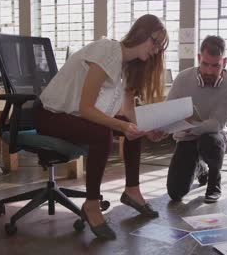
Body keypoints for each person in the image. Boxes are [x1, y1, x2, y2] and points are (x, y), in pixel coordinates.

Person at [34, 14, 168, 240]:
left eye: (160, 48)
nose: (156, 51)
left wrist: (147, 128)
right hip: (49, 114)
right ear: (141, 33)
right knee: (103, 133)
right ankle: (92, 204)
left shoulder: (129, 66)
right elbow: (86, 108)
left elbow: (127, 112)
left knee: (129, 126)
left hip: (73, 116)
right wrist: (124, 127)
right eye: (155, 43)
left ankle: (132, 191)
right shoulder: (107, 50)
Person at [166, 35, 227, 203]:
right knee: (175, 193)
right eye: (205, 64)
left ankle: (214, 182)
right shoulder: (182, 79)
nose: (209, 71)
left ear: (224, 61)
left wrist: (189, 126)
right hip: (187, 137)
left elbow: (216, 124)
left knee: (210, 140)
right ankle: (201, 168)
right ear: (199, 58)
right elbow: (168, 110)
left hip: (215, 136)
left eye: (215, 66)